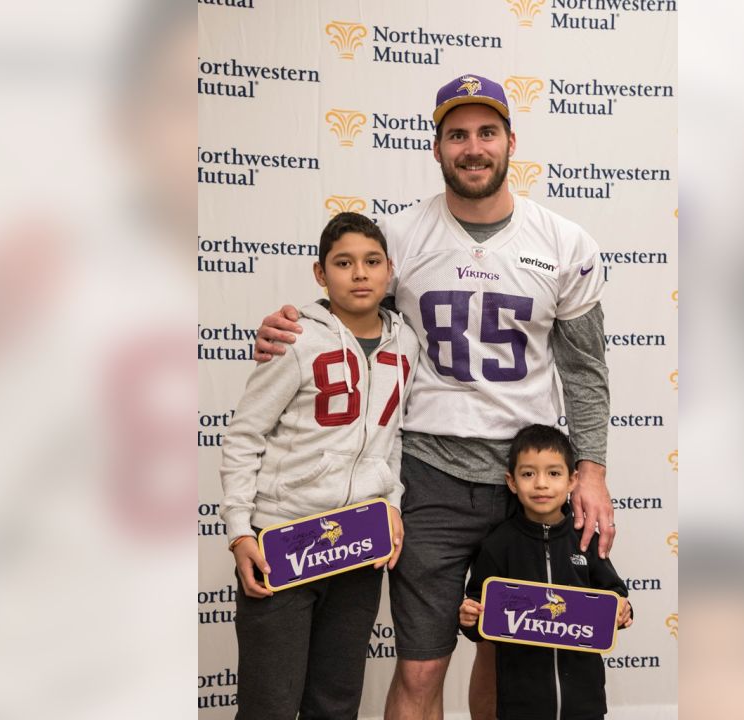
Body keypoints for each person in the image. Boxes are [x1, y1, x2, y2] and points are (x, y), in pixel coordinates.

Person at [255, 73, 617, 720]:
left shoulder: (565, 244)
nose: (472, 148)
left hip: (525, 481)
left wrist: (591, 468)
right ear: (436, 146)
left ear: (511, 140)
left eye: (486, 132)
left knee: (512, 660)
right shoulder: (400, 238)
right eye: (457, 135)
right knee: (421, 667)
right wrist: (297, 327)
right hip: (428, 477)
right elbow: (352, 311)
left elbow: (585, 369)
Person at [220, 212, 419, 719]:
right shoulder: (295, 340)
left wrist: (391, 504)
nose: (359, 274)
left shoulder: (407, 344)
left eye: (372, 262)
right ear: (319, 273)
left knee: (335, 701)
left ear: (389, 270)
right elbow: (246, 435)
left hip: (358, 544)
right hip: (283, 542)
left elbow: (390, 439)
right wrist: (241, 532)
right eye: (344, 262)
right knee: (270, 702)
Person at [458, 424, 633, 720]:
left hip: (584, 702)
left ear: (572, 481)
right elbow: (479, 613)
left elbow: (614, 593)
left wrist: (622, 609)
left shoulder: (585, 539)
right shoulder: (497, 545)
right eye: (528, 474)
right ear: (511, 482)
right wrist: (469, 618)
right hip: (520, 705)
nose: (541, 484)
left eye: (553, 473)